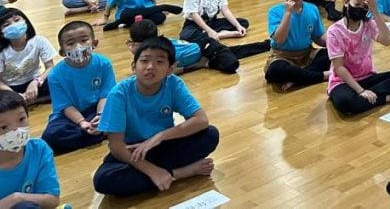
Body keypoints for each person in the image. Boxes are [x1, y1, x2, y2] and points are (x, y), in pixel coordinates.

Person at [92, 37, 220, 198]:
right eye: (144, 61)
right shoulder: (119, 94)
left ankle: (161, 174)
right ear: (134, 66)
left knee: (210, 135)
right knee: (103, 180)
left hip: (164, 144)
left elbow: (201, 120)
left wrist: (159, 137)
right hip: (133, 151)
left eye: (160, 62)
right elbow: (116, 146)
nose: (150, 67)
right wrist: (152, 170)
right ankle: (180, 173)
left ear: (170, 69)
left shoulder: (173, 84)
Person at [326, 0, 390, 115]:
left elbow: (387, 41)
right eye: (357, 3)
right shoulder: (334, 31)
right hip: (343, 82)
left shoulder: (368, 24)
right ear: (346, 2)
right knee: (345, 103)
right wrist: (361, 91)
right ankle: (388, 98)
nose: (360, 9)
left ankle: (365, 99)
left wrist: (375, 11)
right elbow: (339, 68)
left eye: (365, 7)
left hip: (368, 77)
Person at [41, 21, 115, 154]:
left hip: (98, 108)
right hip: (69, 115)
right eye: (70, 43)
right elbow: (65, 106)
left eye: (84, 40)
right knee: (50, 136)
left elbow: (106, 95)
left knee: (128, 112)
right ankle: (103, 133)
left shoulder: (104, 64)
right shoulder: (55, 75)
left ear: (94, 43)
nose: (78, 46)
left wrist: (101, 116)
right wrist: (82, 122)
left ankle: (99, 130)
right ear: (62, 51)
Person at [127, 19, 268, 77]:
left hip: (205, 47)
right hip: (196, 45)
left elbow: (169, 73)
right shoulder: (155, 47)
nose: (132, 46)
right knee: (238, 51)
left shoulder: (162, 53)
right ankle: (267, 44)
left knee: (231, 63)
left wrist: (200, 65)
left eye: (134, 43)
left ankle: (220, 36)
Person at [264, 0, 331, 92]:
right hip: (282, 56)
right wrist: (288, 13)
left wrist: (334, 43)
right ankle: (321, 76)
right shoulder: (274, 11)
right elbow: (279, 39)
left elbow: (318, 37)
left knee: (331, 55)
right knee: (276, 70)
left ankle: (297, 78)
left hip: (307, 54)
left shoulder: (312, 8)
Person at [0, 89, 60, 207]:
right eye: (3, 127)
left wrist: (18, 197)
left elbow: (53, 200)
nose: (16, 131)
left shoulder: (39, 149)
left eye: (21, 119)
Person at [0, 8, 54, 103]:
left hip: (34, 82)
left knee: (59, 81)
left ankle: (26, 102)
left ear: (25, 21)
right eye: (6, 25)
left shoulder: (39, 41)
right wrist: (15, 95)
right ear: (1, 33)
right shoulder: (2, 51)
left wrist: (36, 82)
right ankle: (29, 100)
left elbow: (50, 67)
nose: (14, 25)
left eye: (17, 20)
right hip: (9, 87)